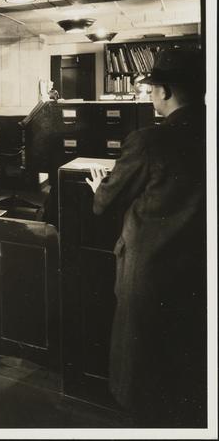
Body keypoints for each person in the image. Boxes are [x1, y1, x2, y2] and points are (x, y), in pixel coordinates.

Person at [85, 48, 206, 427]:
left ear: (165, 91)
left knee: (141, 362)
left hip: (150, 268)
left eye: (152, 89)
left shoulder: (149, 140)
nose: (151, 96)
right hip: (198, 266)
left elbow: (106, 202)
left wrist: (99, 188)